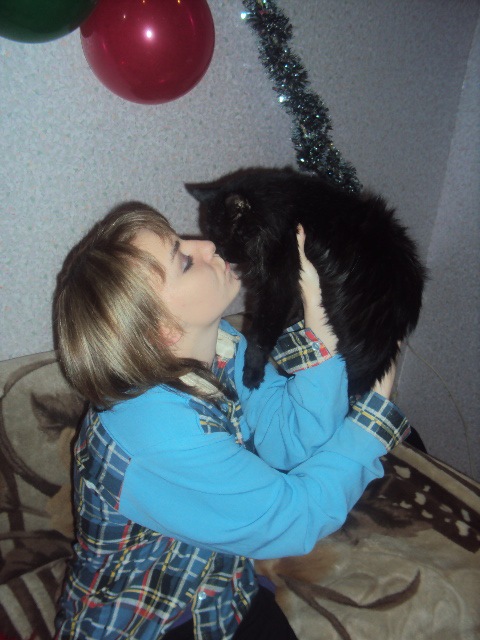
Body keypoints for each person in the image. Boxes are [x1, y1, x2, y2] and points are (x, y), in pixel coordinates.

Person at [53, 204, 411, 640]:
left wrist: (321, 321)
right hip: (142, 624)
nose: (206, 245)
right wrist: (370, 423)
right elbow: (293, 518)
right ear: (161, 331)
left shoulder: (220, 345)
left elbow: (288, 441)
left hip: (221, 594)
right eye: (184, 260)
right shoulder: (154, 436)